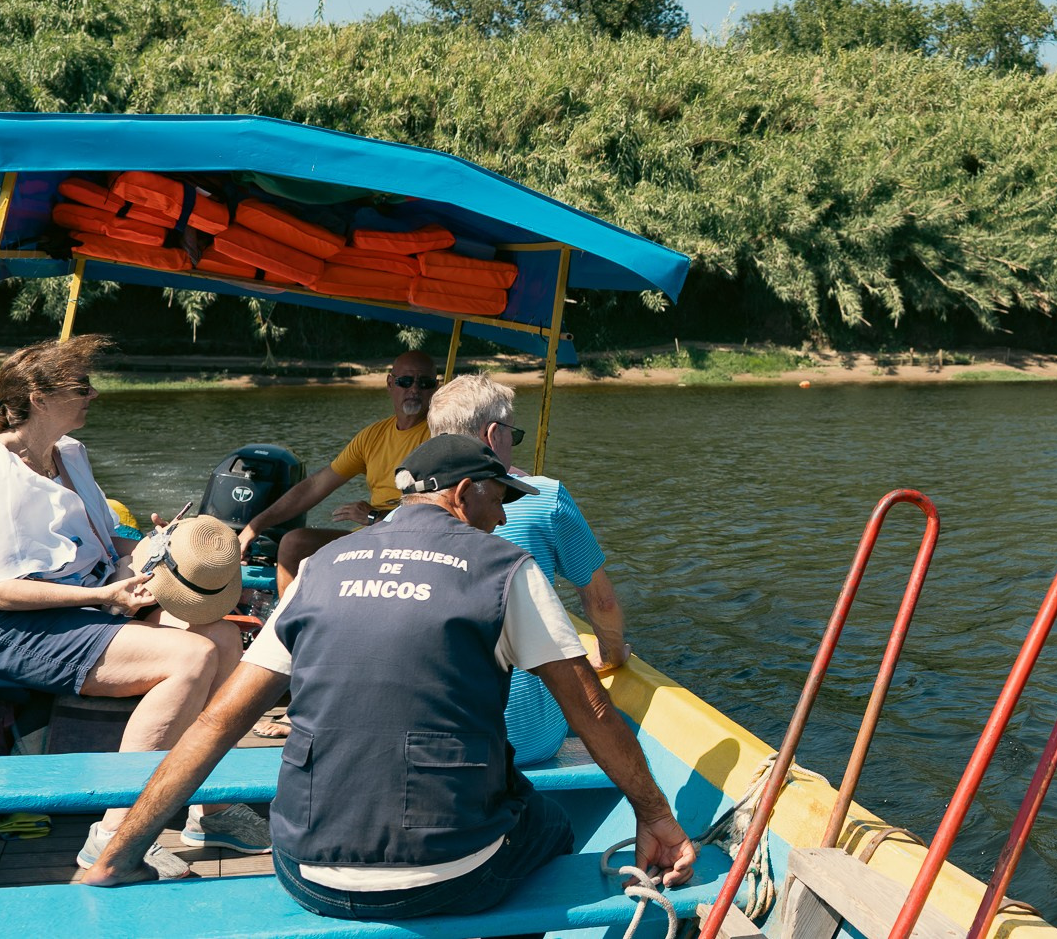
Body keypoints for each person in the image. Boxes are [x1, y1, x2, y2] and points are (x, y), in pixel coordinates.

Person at [79, 433, 697, 913]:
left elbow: (217, 722)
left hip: (307, 872)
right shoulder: (504, 568)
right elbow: (587, 710)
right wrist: (655, 817)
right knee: (552, 826)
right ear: (462, 494)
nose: (504, 518)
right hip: (452, 877)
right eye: (497, 499)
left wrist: (120, 852)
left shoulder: (323, 565)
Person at [0, 334, 270, 878]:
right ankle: (117, 829)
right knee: (186, 659)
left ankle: (208, 808)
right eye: (82, 387)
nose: (93, 395)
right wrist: (102, 595)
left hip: (89, 604)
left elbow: (101, 542)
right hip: (10, 626)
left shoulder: (68, 454)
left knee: (221, 637)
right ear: (38, 397)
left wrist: (149, 550)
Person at [427, 374, 628, 766]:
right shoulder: (546, 498)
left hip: (441, 738)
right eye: (512, 435)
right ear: (491, 436)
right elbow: (601, 602)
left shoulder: (409, 511)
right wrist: (613, 655)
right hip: (527, 738)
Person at [235, 349, 437, 594]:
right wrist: (254, 527)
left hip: (413, 543)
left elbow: (437, 515)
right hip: (370, 537)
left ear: (435, 388)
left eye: (424, 383)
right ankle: (287, 628)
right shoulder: (372, 436)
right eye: (405, 381)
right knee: (294, 543)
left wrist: (376, 518)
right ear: (390, 383)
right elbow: (315, 485)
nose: (414, 390)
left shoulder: (440, 437)